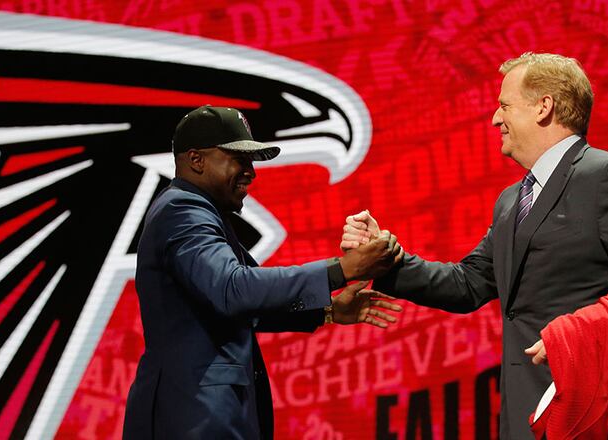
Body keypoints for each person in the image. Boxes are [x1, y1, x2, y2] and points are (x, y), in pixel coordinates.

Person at [341, 53, 608, 439]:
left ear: (544, 107)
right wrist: (386, 259)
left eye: (505, 105)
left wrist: (588, 328)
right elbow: (469, 283)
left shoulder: (606, 174)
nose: (495, 118)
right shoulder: (512, 200)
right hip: (526, 411)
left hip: (597, 410)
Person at [123, 105, 405, 439]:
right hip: (192, 418)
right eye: (237, 159)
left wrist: (329, 312)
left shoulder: (201, 213)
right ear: (196, 160)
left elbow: (249, 303)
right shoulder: (183, 211)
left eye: (251, 161)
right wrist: (340, 270)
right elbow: (235, 290)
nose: (250, 172)